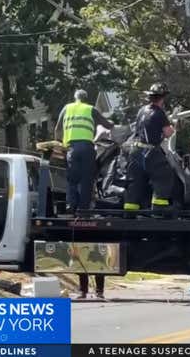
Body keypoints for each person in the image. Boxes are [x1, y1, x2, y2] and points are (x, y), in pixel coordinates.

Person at [55, 89, 113, 299]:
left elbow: (57, 129)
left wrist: (61, 145)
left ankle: (73, 208)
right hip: (87, 148)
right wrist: (109, 128)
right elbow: (108, 125)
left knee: (72, 180)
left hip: (70, 149)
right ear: (85, 98)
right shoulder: (91, 109)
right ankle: (85, 209)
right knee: (87, 180)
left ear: (74, 97)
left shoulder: (67, 108)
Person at [123, 83, 176, 213]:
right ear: (162, 98)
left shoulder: (142, 110)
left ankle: (130, 211)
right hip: (150, 151)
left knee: (135, 181)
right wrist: (173, 125)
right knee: (164, 175)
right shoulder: (159, 113)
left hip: (135, 151)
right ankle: (159, 208)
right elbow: (168, 133)